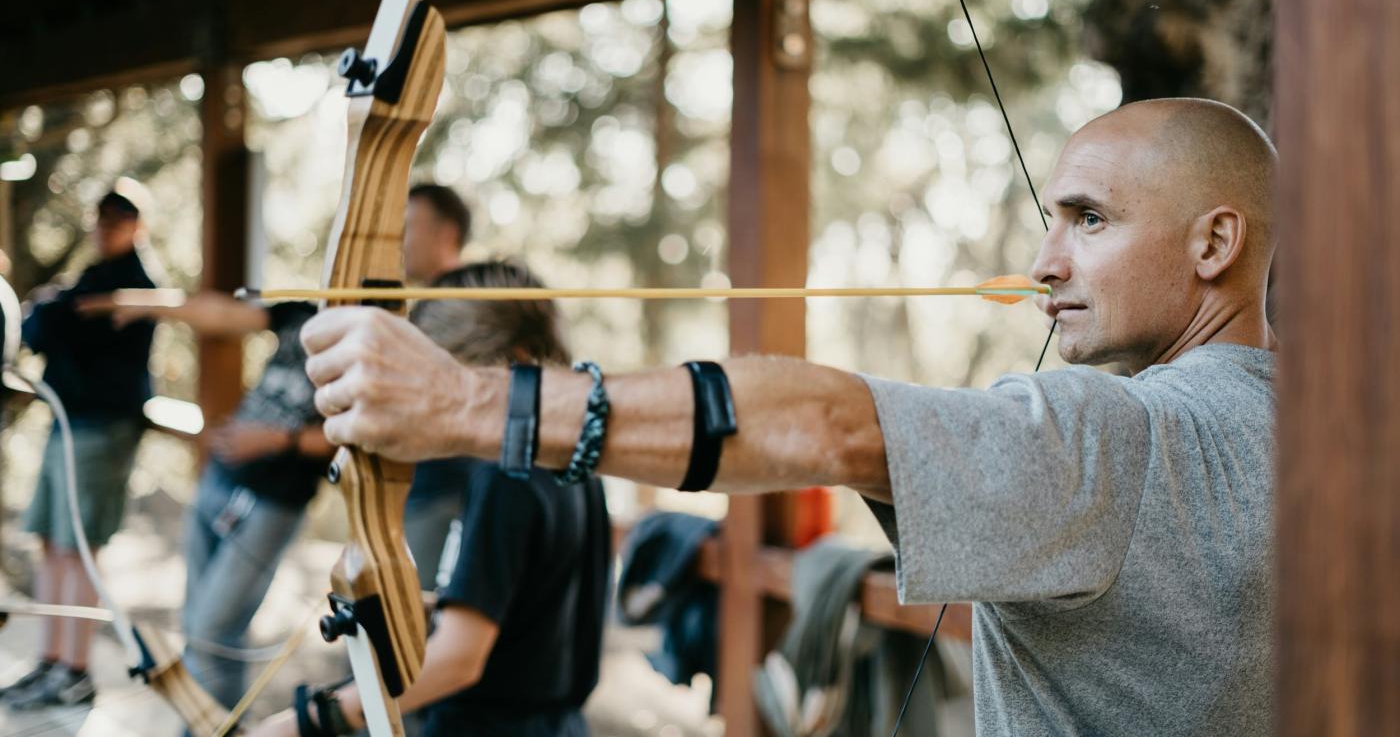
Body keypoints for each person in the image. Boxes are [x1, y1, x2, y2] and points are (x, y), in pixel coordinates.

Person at [297, 98, 1280, 736]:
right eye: (1049, 220)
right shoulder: (1321, 439)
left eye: (1089, 219)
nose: (1043, 264)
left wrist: (462, 402)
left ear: (1213, 243)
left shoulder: (1111, 436)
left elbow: (828, 428)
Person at [251, 260, 611, 737]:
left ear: (512, 362)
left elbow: (459, 660)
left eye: (454, 380)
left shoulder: (507, 477)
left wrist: (309, 720)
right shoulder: (578, 463)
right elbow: (531, 607)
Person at [74, 289, 335, 711]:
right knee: (197, 627)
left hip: (276, 499)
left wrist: (275, 438)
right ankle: (202, 725)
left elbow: (357, 434)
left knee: (215, 632)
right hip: (222, 478)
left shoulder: (374, 330)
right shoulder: (303, 311)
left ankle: (213, 726)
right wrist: (148, 304)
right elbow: (222, 314)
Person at [3, 188, 158, 709]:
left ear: (136, 225)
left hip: (101, 430)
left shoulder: (136, 287)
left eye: (116, 220)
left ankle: (75, 669)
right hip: (67, 422)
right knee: (51, 542)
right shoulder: (92, 279)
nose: (104, 228)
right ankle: (50, 662)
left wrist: (59, 315)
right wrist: (59, 315)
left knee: (78, 550)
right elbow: (42, 325)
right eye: (100, 219)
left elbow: (59, 328)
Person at [400, 183, 475, 590]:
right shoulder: (433, 301)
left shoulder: (468, 298)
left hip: (445, 488)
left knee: (408, 612)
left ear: (446, 233)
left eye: (409, 226)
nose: (399, 241)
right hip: (425, 485)